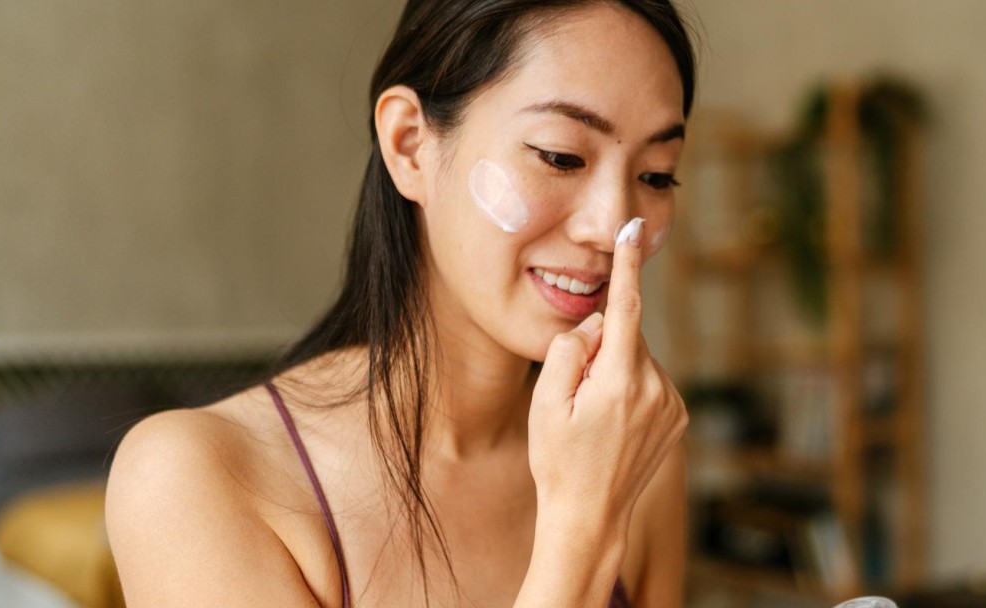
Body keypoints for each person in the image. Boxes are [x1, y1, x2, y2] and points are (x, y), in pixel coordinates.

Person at [105, 1, 696, 606]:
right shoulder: (196, 478)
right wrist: (581, 530)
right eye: (560, 156)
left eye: (656, 175)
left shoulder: (633, 457)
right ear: (411, 146)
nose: (612, 224)